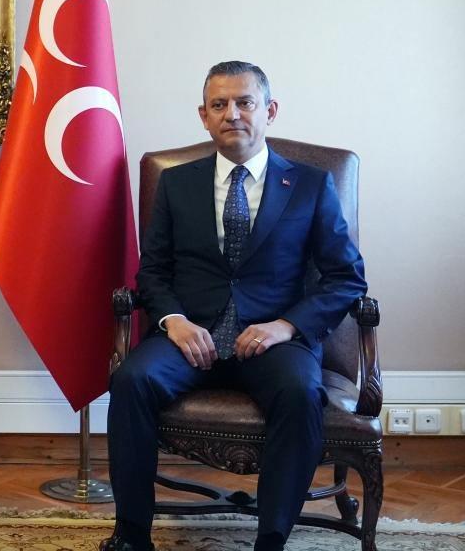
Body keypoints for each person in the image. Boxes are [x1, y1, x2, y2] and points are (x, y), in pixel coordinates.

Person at [101, 62, 367, 551]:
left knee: (299, 392)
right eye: (219, 105)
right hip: (189, 336)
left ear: (270, 111)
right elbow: (153, 270)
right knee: (131, 380)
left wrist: (287, 325)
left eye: (245, 102)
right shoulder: (177, 183)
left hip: (273, 339)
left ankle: (271, 539)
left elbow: (346, 277)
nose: (232, 114)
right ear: (204, 116)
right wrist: (173, 320)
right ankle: (132, 535)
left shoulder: (310, 185)